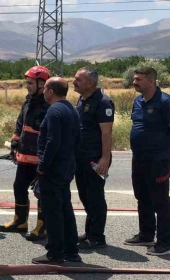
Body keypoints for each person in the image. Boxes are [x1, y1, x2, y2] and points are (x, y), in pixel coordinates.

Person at [32, 77, 82, 264]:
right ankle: (71, 250)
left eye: (45, 88)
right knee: (65, 209)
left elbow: (53, 141)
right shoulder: (72, 109)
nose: (43, 91)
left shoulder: (54, 111)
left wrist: (43, 166)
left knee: (53, 212)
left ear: (51, 91)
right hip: (67, 167)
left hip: (53, 169)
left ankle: (54, 252)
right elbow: (78, 140)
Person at [0, 66, 51, 241]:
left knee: (41, 192)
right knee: (19, 187)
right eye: (26, 82)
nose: (27, 86)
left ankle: (42, 226)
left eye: (30, 83)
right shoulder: (28, 101)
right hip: (24, 156)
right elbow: (20, 123)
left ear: (42, 84)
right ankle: (20, 221)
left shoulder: (49, 104)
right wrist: (15, 141)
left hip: (40, 159)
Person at [125, 66, 170, 256]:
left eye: (138, 80)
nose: (134, 82)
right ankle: (146, 234)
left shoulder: (165, 102)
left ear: (151, 81)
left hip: (158, 161)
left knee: (160, 201)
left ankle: (165, 242)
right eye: (134, 79)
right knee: (142, 197)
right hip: (139, 159)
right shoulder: (137, 101)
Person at [73, 67, 114, 249]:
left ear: (89, 83)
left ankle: (97, 237)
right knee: (85, 196)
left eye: (78, 79)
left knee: (96, 197)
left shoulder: (103, 102)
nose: (74, 82)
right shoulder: (82, 99)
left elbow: (107, 134)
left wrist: (104, 159)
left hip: (95, 158)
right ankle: (90, 232)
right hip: (81, 158)